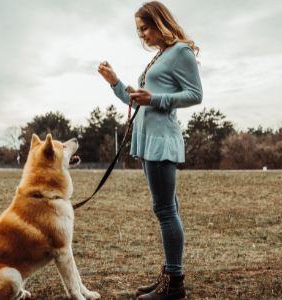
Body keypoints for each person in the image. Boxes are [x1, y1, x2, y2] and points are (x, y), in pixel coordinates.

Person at [98, 2, 202, 299]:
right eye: (138, 30)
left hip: (161, 141)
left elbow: (195, 94)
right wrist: (116, 83)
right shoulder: (161, 56)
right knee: (168, 208)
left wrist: (155, 98)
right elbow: (139, 100)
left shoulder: (180, 51)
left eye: (144, 28)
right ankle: (169, 275)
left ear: (159, 23)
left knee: (165, 210)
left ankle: (175, 285)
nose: (141, 34)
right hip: (148, 140)